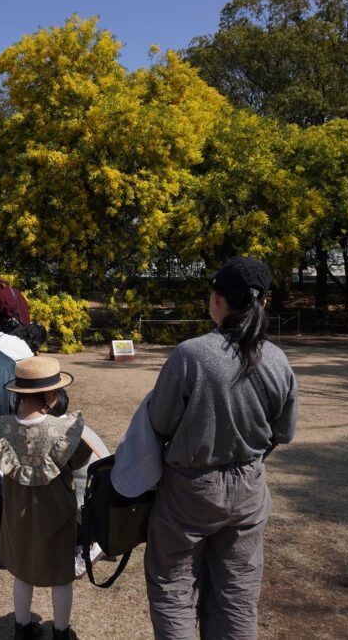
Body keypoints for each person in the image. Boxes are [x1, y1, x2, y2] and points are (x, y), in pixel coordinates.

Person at [118, 257, 298, 639]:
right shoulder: (279, 361)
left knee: (174, 585)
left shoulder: (191, 355)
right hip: (249, 489)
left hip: (188, 491)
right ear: (263, 303)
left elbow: (161, 421)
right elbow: (283, 432)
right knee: (238, 593)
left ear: (217, 299)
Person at [0, 356, 90, 640]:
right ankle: (61, 632)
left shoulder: (2, 428)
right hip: (57, 515)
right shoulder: (63, 430)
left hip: (18, 515)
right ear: (52, 395)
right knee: (61, 575)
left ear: (19, 392)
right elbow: (78, 461)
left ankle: (22, 627)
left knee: (22, 571)